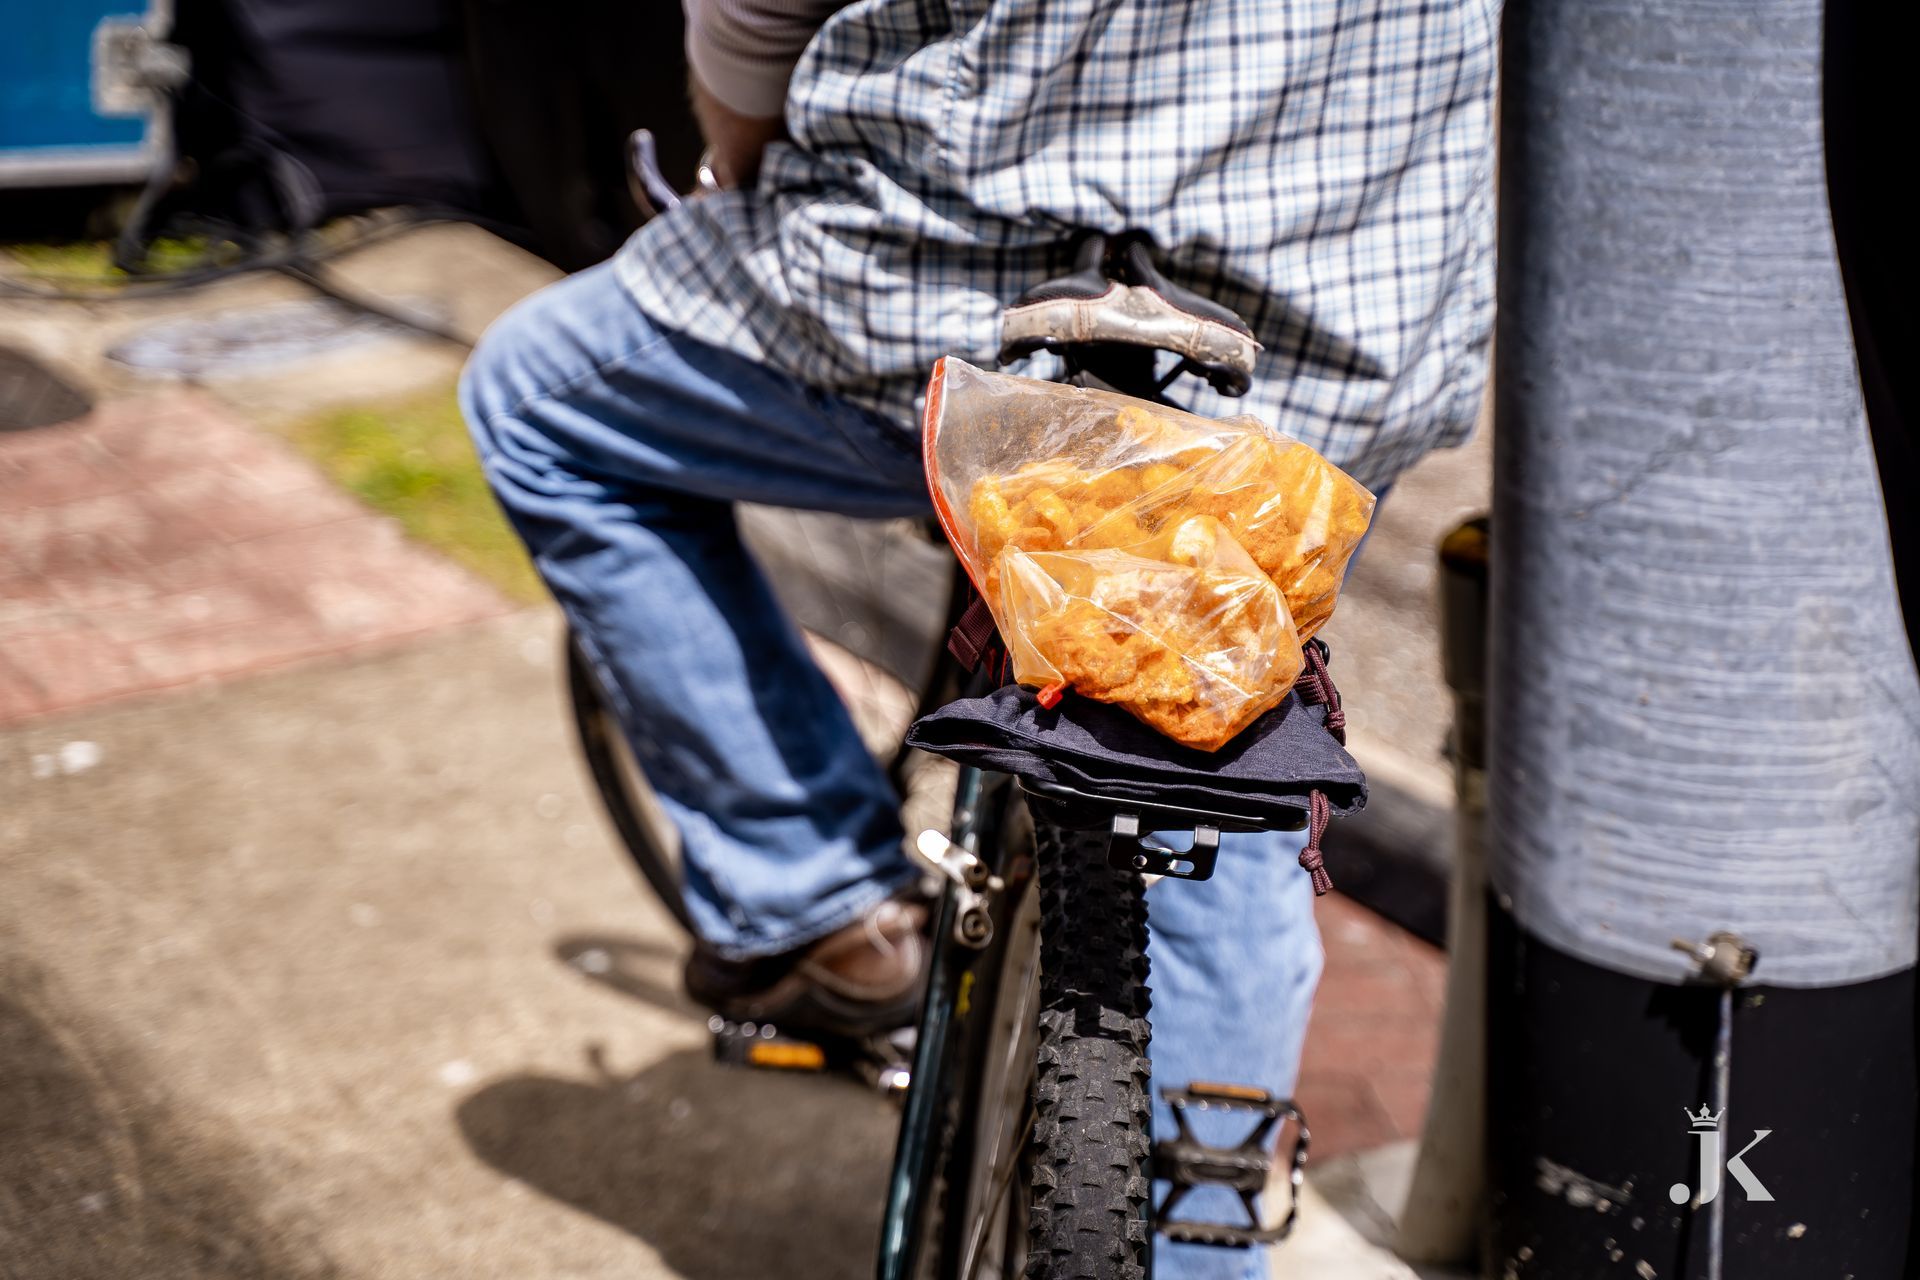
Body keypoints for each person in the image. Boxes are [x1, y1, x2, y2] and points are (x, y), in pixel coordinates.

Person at [460, 1, 1497, 1272]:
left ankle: (823, 904)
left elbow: (758, 25)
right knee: (1214, 727)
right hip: (1320, 345)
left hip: (960, 312)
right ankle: (1203, 1234)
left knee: (536, 401)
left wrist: (738, 152)